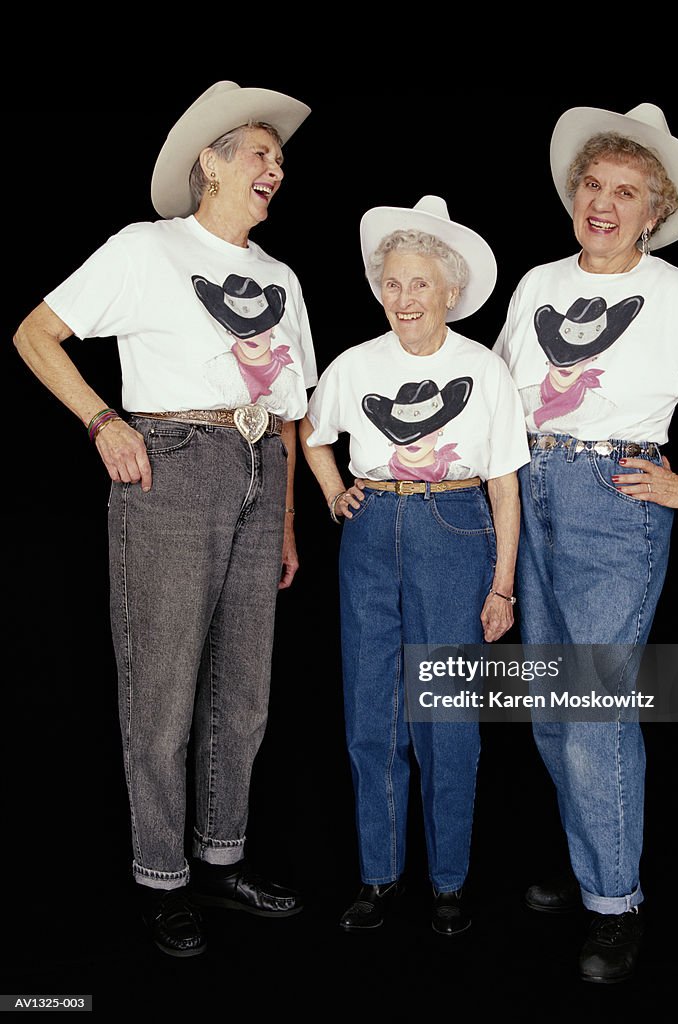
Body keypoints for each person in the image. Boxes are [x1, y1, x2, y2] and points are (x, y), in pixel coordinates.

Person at [12, 81, 317, 958]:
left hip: (262, 466)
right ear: (209, 164)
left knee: (244, 692)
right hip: (176, 462)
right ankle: (161, 876)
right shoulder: (148, 249)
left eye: (280, 160)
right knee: (163, 688)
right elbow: (36, 333)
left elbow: (291, 412)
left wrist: (287, 520)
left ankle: (222, 863)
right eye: (260, 153)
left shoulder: (281, 276)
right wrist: (103, 421)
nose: (276, 169)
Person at [493, 103, 678, 983]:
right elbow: (500, 396)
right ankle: (593, 862)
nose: (604, 202)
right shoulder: (540, 283)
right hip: (529, 485)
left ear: (654, 212)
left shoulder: (675, 296)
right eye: (593, 184)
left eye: (626, 191)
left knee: (592, 709)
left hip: (609, 502)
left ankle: (615, 904)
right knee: (549, 704)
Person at [300, 196, 529, 936]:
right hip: (372, 533)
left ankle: (450, 882)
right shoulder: (354, 364)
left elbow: (504, 484)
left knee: (449, 717)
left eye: (420, 283)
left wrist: (503, 584)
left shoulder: (483, 369)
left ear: (450, 291)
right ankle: (379, 876)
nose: (404, 298)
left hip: (455, 527)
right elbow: (312, 435)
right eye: (393, 283)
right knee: (372, 711)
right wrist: (337, 494)